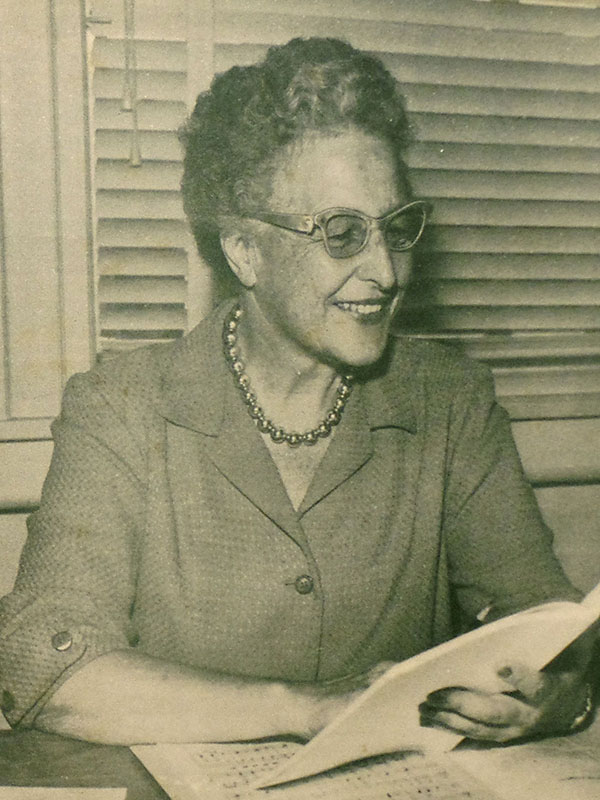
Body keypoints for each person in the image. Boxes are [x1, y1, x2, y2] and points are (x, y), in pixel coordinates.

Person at [0, 37, 595, 747]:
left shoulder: (450, 402)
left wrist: (558, 695)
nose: (386, 272)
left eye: (397, 228)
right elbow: (48, 666)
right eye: (342, 233)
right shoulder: (121, 407)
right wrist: (305, 708)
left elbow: (542, 622)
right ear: (245, 251)